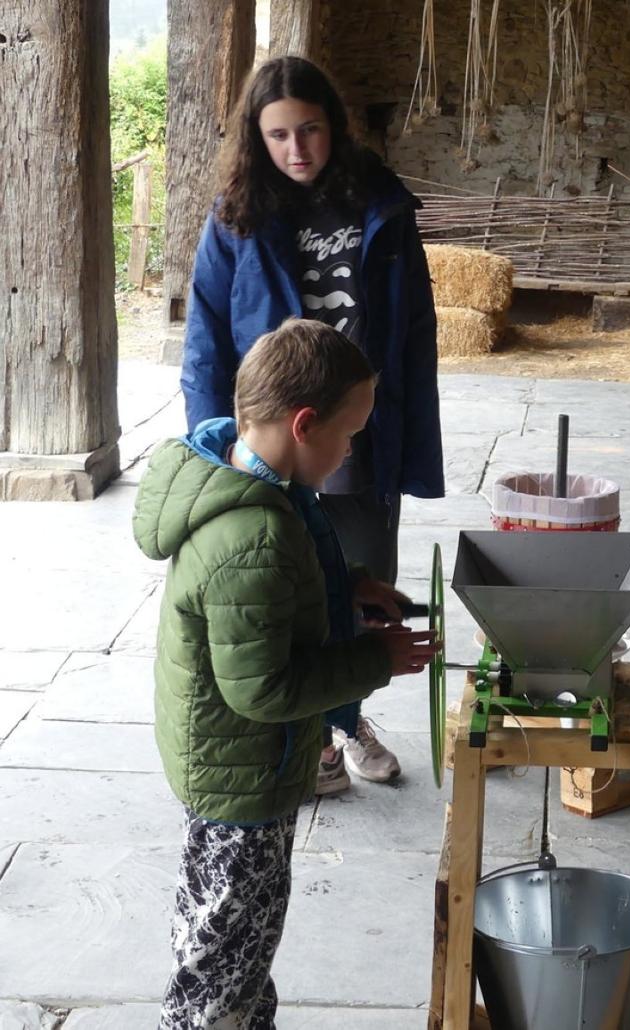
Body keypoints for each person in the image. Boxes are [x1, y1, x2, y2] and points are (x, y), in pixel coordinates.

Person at [134, 319, 440, 1027]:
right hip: (241, 780)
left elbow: (289, 589)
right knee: (222, 962)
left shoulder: (256, 483)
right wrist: (373, 659)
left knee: (236, 942)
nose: (350, 450)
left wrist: (352, 585)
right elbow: (262, 689)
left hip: (232, 769)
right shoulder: (254, 536)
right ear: (305, 426)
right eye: (348, 434)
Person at [181, 54, 443, 794]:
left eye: (311, 130)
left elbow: (415, 330)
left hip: (358, 428)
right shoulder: (236, 218)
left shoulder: (382, 207)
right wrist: (215, 445)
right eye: (278, 135)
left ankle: (345, 721)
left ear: (334, 125)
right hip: (270, 435)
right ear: (255, 139)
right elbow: (205, 341)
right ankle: (313, 740)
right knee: (286, 585)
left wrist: (412, 443)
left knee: (362, 581)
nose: (297, 149)